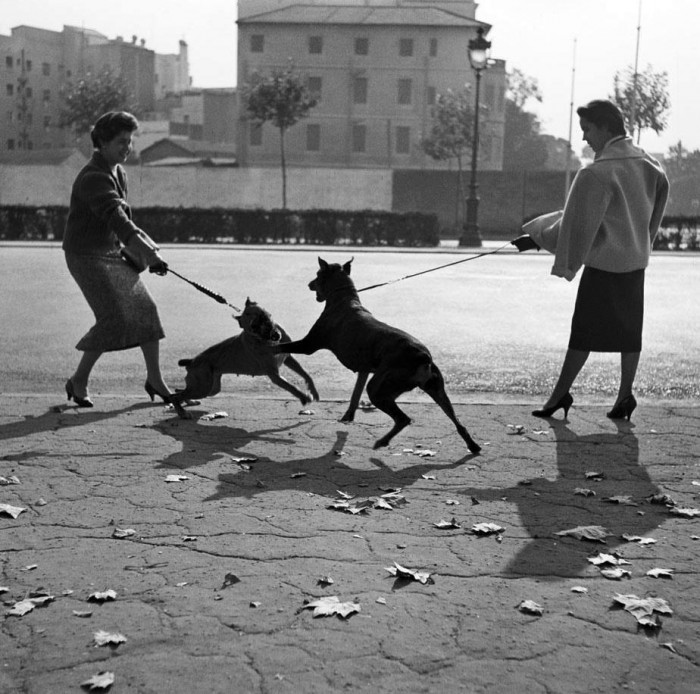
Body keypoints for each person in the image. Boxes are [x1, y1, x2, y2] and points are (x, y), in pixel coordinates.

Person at [511, 99, 669, 421]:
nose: (584, 137)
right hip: (634, 262)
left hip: (604, 266)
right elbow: (656, 205)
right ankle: (624, 396)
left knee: (583, 333)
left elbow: (575, 224)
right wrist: (644, 242)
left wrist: (537, 237)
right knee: (629, 334)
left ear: (604, 128)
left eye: (587, 129)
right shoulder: (649, 165)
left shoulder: (595, 173)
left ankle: (559, 395)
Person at [63, 111, 175, 408]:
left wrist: (150, 251)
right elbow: (118, 220)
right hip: (85, 256)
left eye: (130, 141)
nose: (128, 147)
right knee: (113, 318)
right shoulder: (93, 178)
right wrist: (149, 254)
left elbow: (125, 222)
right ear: (102, 142)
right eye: (121, 141)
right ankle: (78, 380)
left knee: (146, 309)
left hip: (110, 252)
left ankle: (155, 380)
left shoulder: (118, 172)